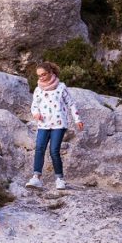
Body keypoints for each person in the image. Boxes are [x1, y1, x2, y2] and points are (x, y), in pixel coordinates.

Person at [26, 61, 84, 190]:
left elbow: (71, 103)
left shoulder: (61, 87)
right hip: (43, 124)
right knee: (39, 148)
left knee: (54, 151)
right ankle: (36, 178)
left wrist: (77, 119)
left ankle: (59, 179)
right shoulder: (38, 89)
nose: (41, 77)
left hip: (59, 124)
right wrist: (36, 113)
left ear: (51, 72)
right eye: (39, 75)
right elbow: (34, 105)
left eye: (43, 74)